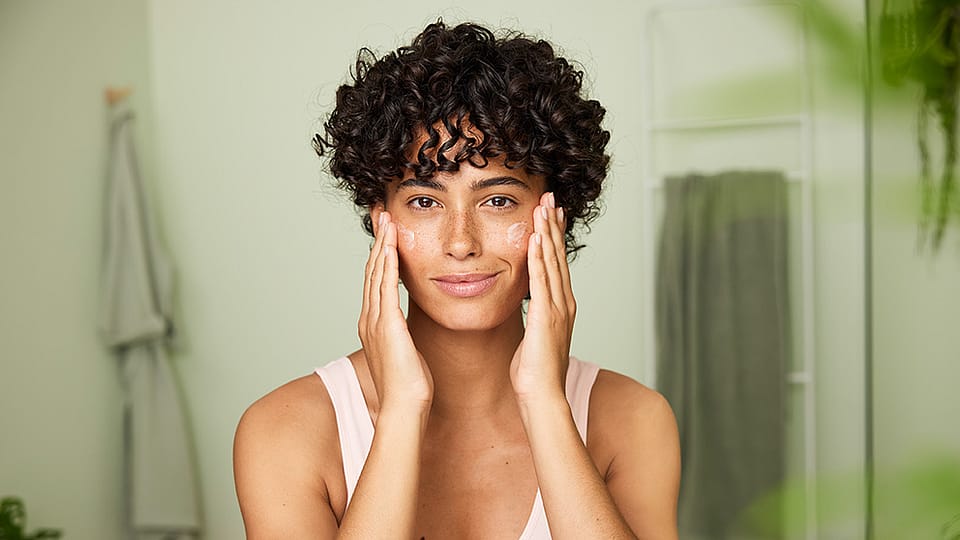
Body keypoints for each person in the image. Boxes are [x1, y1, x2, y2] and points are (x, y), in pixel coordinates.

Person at [233, 20, 680, 539]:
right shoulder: (285, 431)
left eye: (498, 200)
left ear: (555, 217)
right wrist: (401, 410)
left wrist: (544, 402)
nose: (461, 242)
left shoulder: (633, 420)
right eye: (425, 202)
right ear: (382, 221)